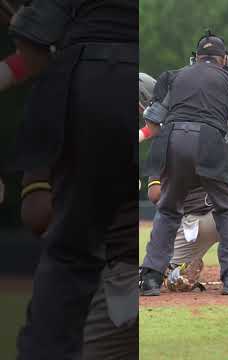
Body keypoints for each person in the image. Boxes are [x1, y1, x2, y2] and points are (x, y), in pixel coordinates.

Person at [2, 1, 138, 358]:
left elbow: (37, 216)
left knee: (69, 256)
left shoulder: (67, 73)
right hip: (141, 86)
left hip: (90, 82)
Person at [140, 30, 228, 296]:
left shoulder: (172, 76)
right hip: (209, 141)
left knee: (169, 210)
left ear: (196, 57)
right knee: (227, 208)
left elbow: (153, 122)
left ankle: (149, 278)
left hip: (170, 139)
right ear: (224, 59)